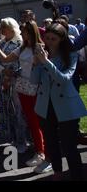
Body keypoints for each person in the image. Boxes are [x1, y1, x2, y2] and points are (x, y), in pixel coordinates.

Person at [31, 22, 87, 180]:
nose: (48, 41)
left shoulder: (71, 55)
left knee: (69, 146)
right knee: (51, 143)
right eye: (47, 38)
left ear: (61, 39)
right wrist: (35, 64)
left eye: (53, 39)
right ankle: (58, 173)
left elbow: (63, 79)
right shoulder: (43, 54)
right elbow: (34, 81)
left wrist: (46, 62)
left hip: (67, 107)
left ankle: (76, 175)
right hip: (45, 106)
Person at [0, 21, 49, 171]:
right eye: (22, 31)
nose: (22, 34)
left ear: (31, 32)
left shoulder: (39, 47)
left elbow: (42, 67)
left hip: (36, 88)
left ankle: (42, 152)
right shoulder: (23, 47)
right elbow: (6, 59)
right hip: (23, 87)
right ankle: (39, 149)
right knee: (31, 120)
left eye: (24, 31)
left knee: (38, 121)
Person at [0, 18, 28, 152]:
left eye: (4, 28)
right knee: (8, 111)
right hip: (3, 80)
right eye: (1, 28)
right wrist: (2, 71)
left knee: (18, 112)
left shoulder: (19, 42)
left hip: (15, 81)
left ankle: (22, 141)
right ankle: (13, 138)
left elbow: (19, 63)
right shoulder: (1, 43)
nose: (1, 31)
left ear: (12, 28)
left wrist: (8, 75)